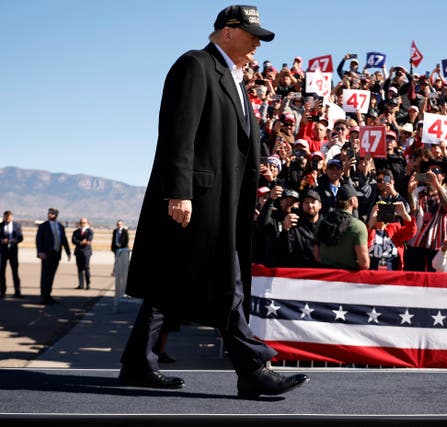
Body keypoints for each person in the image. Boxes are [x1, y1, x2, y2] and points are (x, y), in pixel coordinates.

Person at [119, 5, 308, 397]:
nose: (258, 42)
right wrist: (179, 191)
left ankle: (138, 362)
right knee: (228, 283)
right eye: (253, 34)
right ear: (226, 32)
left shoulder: (237, 80)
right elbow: (178, 132)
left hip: (226, 202)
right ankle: (252, 370)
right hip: (198, 201)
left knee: (166, 283)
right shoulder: (195, 65)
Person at [314, 184, 370, 270]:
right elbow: (364, 264)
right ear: (352, 201)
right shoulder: (358, 226)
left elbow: (317, 256)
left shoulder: (322, 222)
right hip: (347, 280)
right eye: (357, 198)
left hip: (325, 279)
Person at [35, 208, 71, 305]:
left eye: (52, 213)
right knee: (45, 276)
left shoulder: (60, 226)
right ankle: (43, 298)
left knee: (51, 276)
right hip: (46, 255)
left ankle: (48, 296)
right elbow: (38, 240)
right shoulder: (43, 226)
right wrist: (40, 252)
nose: (50, 214)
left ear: (56, 215)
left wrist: (68, 252)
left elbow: (64, 240)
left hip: (56, 255)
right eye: (49, 213)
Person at [0, 210, 24, 298]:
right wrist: (2, 241)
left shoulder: (17, 225)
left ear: (12, 217)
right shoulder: (1, 226)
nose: (7, 218)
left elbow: (20, 238)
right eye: (6, 217)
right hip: (2, 252)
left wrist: (10, 241)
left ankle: (17, 292)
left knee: (15, 272)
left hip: (13, 252)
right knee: (1, 272)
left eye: (9, 217)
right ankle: (2, 292)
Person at [71, 217, 93, 290]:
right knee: (79, 268)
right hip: (78, 252)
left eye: (84, 223)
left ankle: (88, 284)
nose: (82, 224)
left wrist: (82, 242)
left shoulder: (89, 231)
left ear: (87, 223)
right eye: (81, 223)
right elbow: (73, 240)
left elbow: (88, 240)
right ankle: (81, 285)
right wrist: (81, 242)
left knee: (86, 267)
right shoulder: (76, 231)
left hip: (86, 252)